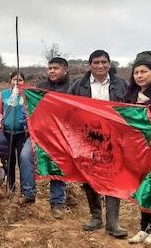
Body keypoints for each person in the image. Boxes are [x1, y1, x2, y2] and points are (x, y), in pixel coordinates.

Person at [69, 50, 128, 237]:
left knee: (114, 177)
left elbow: (130, 108)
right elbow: (67, 109)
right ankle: (96, 217)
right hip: (88, 139)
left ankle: (113, 223)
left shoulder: (121, 84)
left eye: (104, 62)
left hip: (115, 138)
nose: (100, 66)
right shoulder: (79, 85)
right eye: (96, 62)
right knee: (90, 178)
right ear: (90, 65)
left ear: (109, 64)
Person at [17, 57, 70, 219]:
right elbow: (29, 107)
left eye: (56, 68)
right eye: (50, 68)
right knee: (25, 156)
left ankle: (57, 203)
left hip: (61, 136)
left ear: (65, 70)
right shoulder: (40, 87)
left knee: (57, 165)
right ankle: (29, 193)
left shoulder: (71, 88)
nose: (52, 71)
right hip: (38, 133)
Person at [124, 51, 151, 245]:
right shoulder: (131, 95)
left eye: (144, 72)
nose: (139, 76)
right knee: (142, 190)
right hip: (138, 150)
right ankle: (143, 229)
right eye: (136, 72)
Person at [0, 71, 26, 192]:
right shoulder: (4, 94)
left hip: (23, 133)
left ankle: (25, 188)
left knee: (23, 160)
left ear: (24, 82)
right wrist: (1, 121)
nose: (17, 82)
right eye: (14, 79)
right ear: (10, 81)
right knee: (10, 159)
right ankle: (11, 186)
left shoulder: (26, 95)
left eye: (20, 80)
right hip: (7, 133)